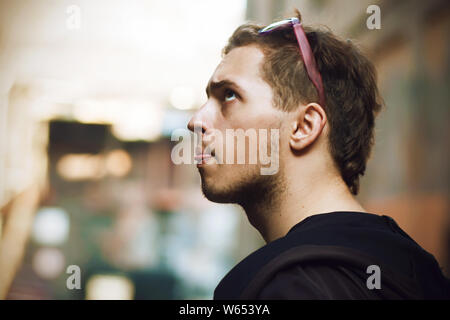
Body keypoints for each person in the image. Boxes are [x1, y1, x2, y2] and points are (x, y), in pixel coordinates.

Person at [187, 10, 450, 299]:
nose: (196, 121)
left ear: (304, 126)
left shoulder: (291, 286)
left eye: (229, 95)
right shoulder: (419, 271)